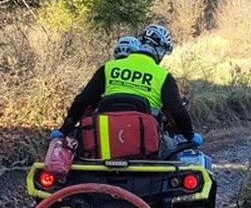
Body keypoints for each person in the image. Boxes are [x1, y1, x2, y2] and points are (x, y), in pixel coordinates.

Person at [53, 23, 201, 152]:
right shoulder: (163, 76)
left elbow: (83, 101)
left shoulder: (109, 68)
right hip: (146, 145)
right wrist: (190, 135)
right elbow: (177, 110)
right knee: (172, 151)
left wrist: (64, 130)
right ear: (161, 51)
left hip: (103, 142)